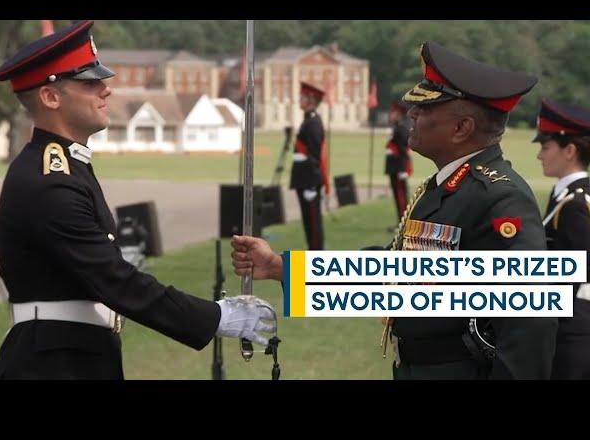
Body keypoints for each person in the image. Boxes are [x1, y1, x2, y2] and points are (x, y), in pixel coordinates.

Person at [232, 41, 558, 380]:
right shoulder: (447, 187)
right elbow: (390, 274)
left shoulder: (499, 198)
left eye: (426, 109)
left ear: (462, 128)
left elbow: (530, 328)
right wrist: (281, 268)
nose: (412, 115)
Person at [0, 20, 276, 380]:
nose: (105, 90)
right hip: (53, 363)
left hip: (74, 354)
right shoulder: (49, 180)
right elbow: (114, 280)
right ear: (50, 97)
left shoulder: (68, 167)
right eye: (89, 82)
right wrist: (217, 317)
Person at [534, 98, 590, 379]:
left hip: (571, 330)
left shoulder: (576, 204)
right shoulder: (565, 197)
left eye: (545, 147)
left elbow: (575, 273)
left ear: (569, 150)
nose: (539, 156)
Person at [289, 82, 330, 250]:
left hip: (309, 181)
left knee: (313, 224)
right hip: (303, 179)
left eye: (303, 97)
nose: (300, 100)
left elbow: (314, 155)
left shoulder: (313, 122)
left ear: (311, 100)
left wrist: (312, 185)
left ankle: (316, 258)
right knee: (308, 222)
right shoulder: (308, 120)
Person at [385, 100, 412, 231]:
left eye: (393, 112)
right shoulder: (397, 127)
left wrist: (403, 169)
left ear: (399, 114)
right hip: (394, 167)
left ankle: (403, 224)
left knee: (401, 197)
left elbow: (403, 151)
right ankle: (400, 222)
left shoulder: (401, 128)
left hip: (398, 168)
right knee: (398, 196)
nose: (391, 115)